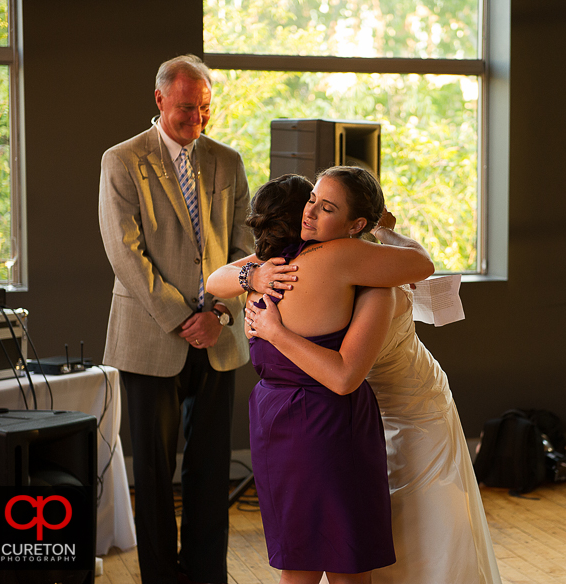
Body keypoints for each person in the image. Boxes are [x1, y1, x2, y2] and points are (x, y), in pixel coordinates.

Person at [209, 172, 502, 584]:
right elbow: (345, 374)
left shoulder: (320, 265)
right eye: (312, 200)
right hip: (335, 415)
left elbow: (421, 266)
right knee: (345, 555)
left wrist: (262, 302)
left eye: (327, 207)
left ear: (355, 226)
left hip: (378, 409)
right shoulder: (290, 265)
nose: (312, 211)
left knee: (307, 554)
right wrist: (252, 277)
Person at [99, 54, 253, 584]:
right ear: (160, 99)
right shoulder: (121, 161)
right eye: (187, 108)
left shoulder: (227, 161)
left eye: (206, 108)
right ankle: (161, 578)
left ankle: (207, 574)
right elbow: (126, 255)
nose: (198, 120)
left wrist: (217, 315)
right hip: (149, 337)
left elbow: (244, 247)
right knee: (156, 473)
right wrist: (182, 317)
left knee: (210, 471)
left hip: (218, 335)